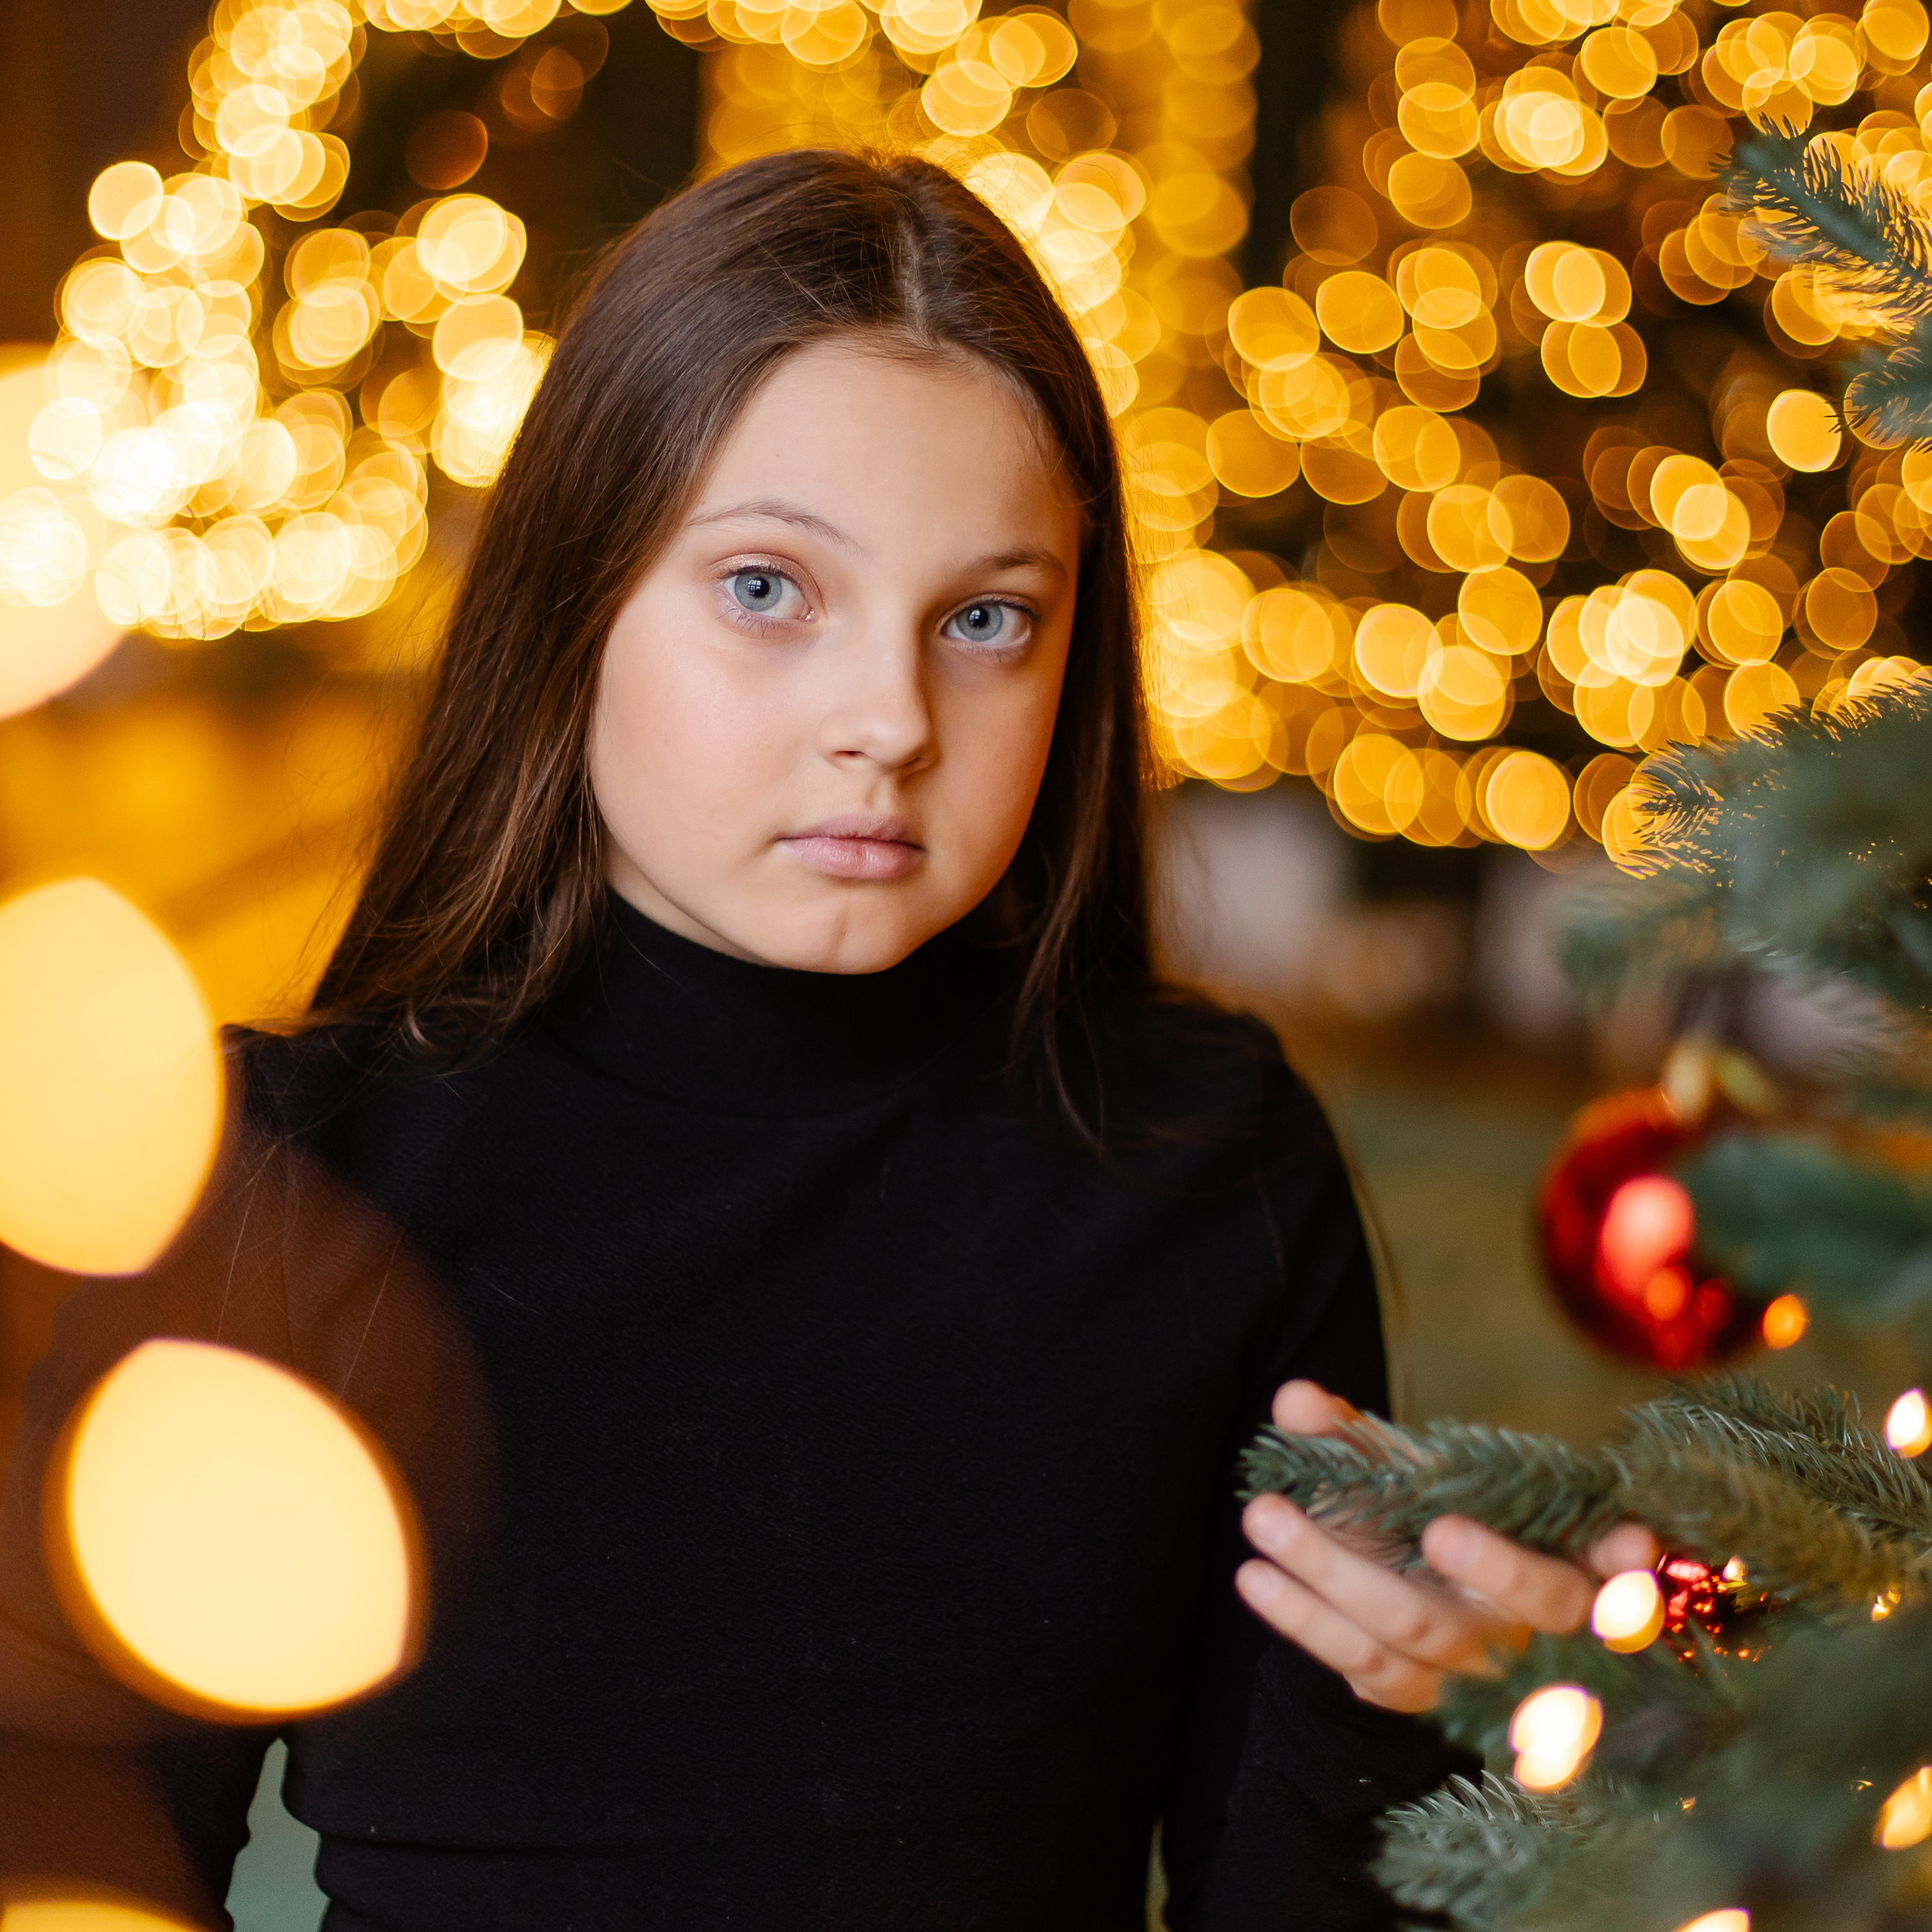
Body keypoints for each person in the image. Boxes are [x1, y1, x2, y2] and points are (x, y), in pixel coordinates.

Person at [0, 148, 1649, 1932]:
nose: (890, 721)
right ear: (572, 611)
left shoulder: (1205, 1165)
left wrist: (1385, 1706)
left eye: (986, 619)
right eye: (769, 589)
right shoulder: (276, 1187)